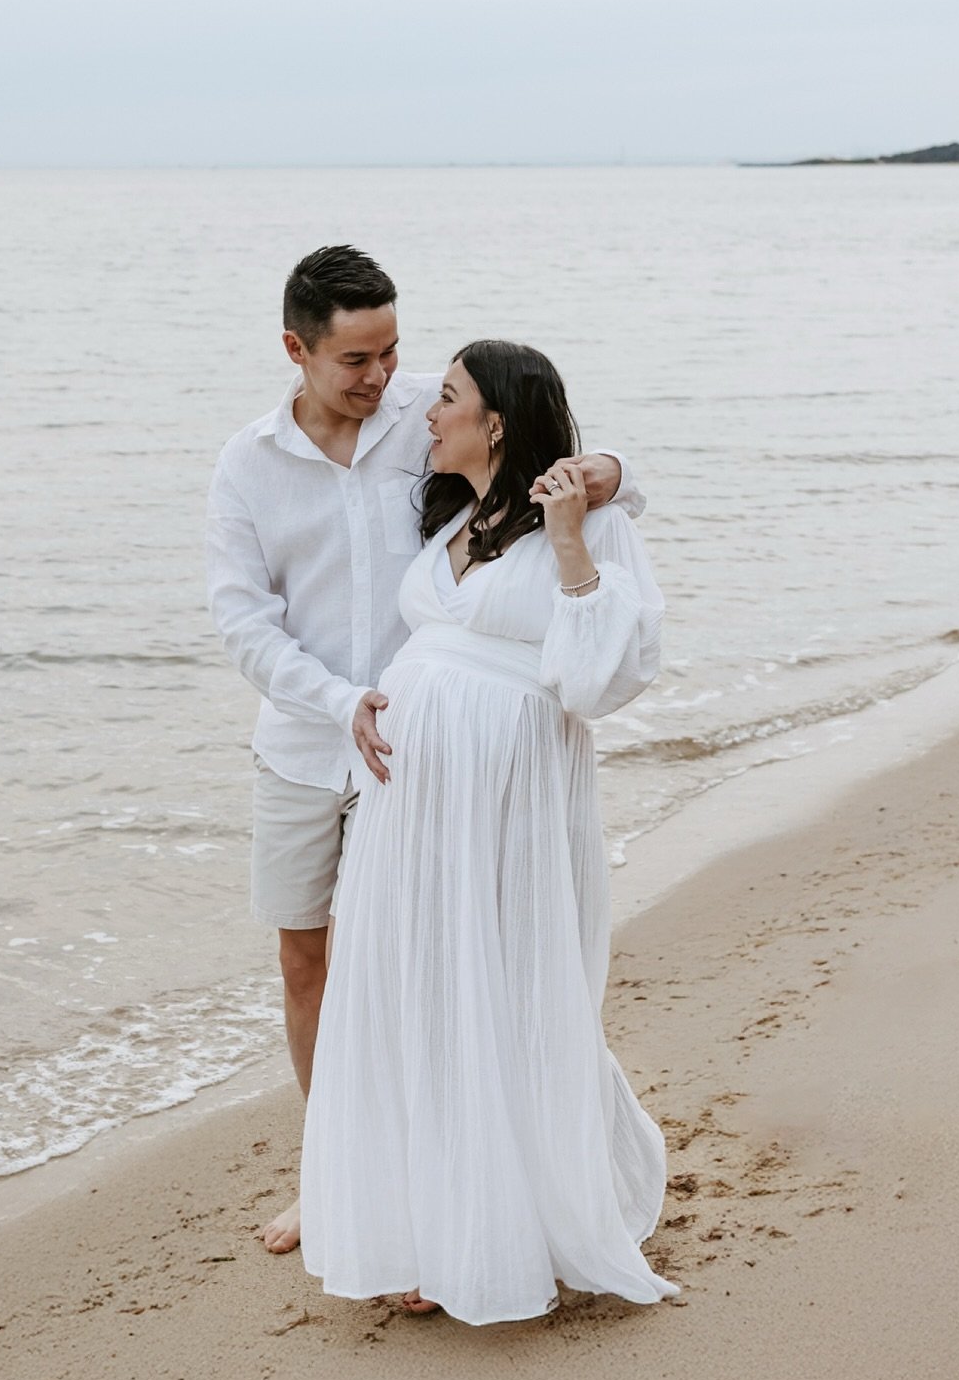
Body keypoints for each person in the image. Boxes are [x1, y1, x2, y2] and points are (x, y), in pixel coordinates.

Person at [206, 248, 642, 1255]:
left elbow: (581, 463)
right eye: (356, 358)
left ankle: (427, 1177)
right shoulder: (248, 463)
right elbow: (242, 623)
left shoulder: (430, 417)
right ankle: (334, 1174)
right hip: (307, 742)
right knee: (307, 958)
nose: (379, 376)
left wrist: (604, 474)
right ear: (296, 349)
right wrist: (339, 699)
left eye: (392, 349)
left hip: (430, 756)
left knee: (418, 962)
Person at [300, 339, 678, 1323]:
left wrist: (574, 530)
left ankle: (501, 1229)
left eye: (452, 398)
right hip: (410, 803)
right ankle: (428, 1224)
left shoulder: (587, 527)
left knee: (500, 987)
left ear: (498, 421)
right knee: (416, 987)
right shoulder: (456, 516)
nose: (429, 411)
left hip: (508, 797)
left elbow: (606, 680)